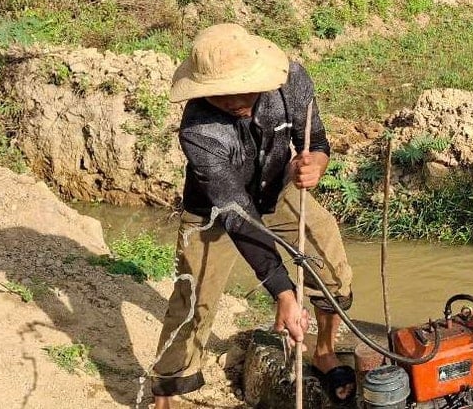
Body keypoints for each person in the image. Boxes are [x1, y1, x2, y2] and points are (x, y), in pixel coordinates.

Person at [151, 23, 355, 407]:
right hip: (214, 211)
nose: (234, 100)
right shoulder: (198, 129)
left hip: (279, 192)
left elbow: (317, 141)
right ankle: (166, 391)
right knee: (194, 299)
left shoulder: (289, 79)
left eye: (243, 88)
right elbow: (234, 211)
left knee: (330, 265)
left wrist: (317, 165)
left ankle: (324, 351)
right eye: (220, 94)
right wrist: (282, 290)